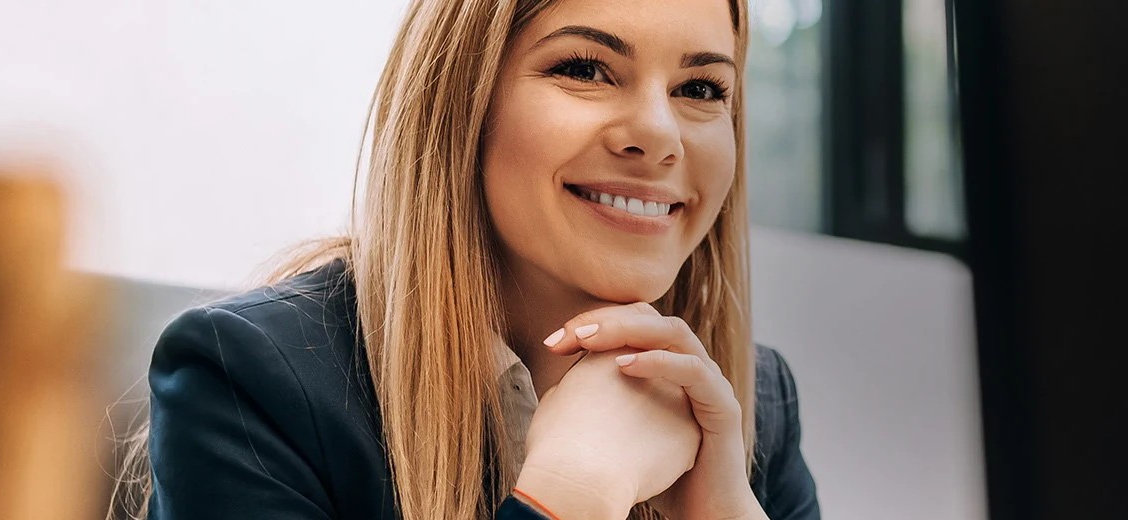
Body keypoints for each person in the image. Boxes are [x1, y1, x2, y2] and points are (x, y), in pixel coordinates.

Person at [132, 0, 818, 518]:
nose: (659, 137)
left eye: (700, 89)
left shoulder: (753, 403)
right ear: (461, 100)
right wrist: (572, 491)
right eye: (586, 70)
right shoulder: (251, 381)